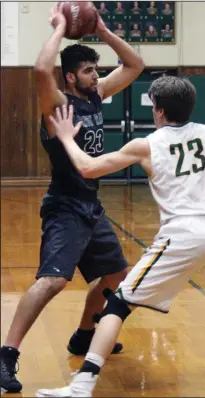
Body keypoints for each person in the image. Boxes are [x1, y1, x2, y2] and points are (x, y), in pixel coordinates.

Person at [35, 76, 205, 397]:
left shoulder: (146, 145)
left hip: (182, 235)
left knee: (118, 304)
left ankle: (83, 383)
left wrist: (65, 138)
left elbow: (89, 168)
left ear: (158, 112)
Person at [0, 5, 144, 394]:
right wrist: (62, 27)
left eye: (96, 70)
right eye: (89, 70)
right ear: (70, 76)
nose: (96, 75)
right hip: (65, 206)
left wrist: (102, 30)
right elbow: (38, 71)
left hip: (91, 206)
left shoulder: (95, 96)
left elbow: (135, 65)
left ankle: (83, 335)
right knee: (52, 281)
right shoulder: (58, 105)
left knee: (116, 275)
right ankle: (7, 353)